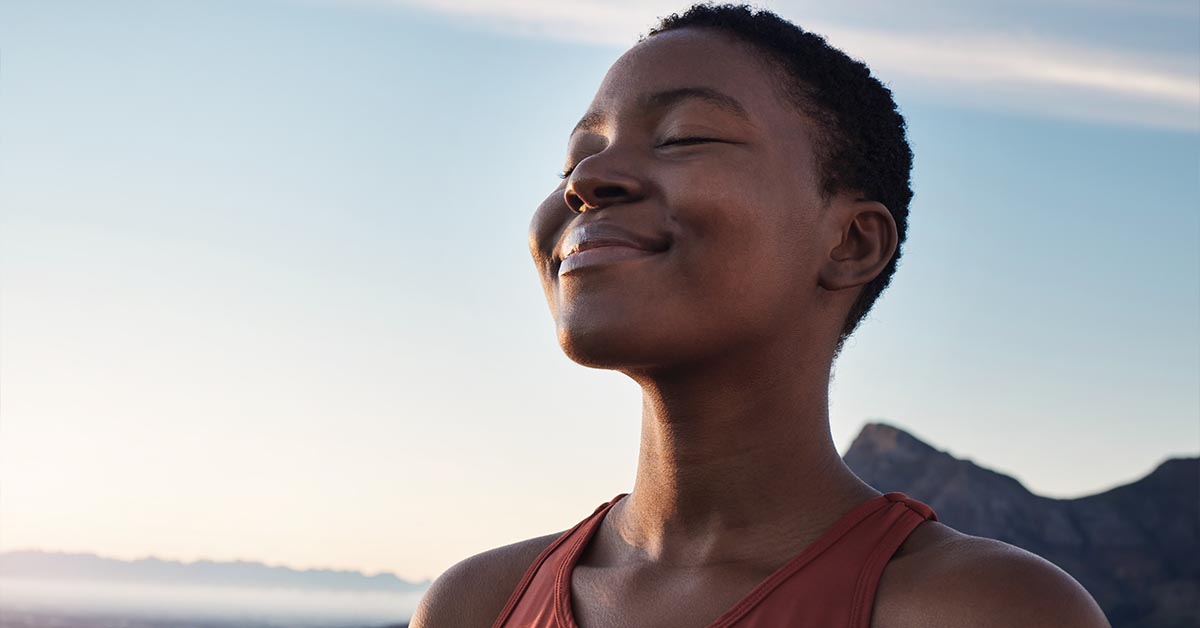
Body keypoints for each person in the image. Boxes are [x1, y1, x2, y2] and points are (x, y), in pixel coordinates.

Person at [411, 4, 1110, 627]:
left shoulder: (983, 610)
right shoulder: (474, 604)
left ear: (851, 242)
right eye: (574, 159)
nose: (586, 184)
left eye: (685, 137)